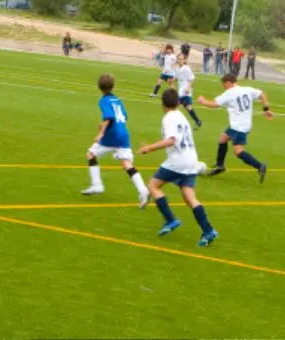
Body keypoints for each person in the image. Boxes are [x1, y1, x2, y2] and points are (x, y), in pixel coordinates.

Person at [137, 89, 218, 247]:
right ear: (179, 103)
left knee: (154, 186)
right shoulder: (182, 116)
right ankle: (208, 230)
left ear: (163, 104)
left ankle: (170, 220)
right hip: (190, 159)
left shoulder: (169, 118)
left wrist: (150, 148)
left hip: (178, 161)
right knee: (189, 197)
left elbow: (171, 140)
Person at [81, 74, 150, 209]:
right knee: (126, 163)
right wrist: (104, 126)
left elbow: (109, 117)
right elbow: (124, 116)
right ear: (113, 86)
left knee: (90, 154)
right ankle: (143, 191)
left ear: (99, 87)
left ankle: (97, 185)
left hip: (111, 135)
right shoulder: (117, 100)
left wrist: (101, 133)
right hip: (123, 134)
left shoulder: (103, 100)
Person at [197, 73, 272, 182]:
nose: (223, 86)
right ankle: (220, 166)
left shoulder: (229, 93)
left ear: (228, 83)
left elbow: (214, 104)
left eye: (223, 84)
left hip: (239, 127)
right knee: (223, 138)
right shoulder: (247, 89)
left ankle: (260, 166)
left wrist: (203, 101)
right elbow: (261, 94)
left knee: (238, 151)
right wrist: (266, 109)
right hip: (241, 125)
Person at [175, 54, 203, 129]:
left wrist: (188, 87)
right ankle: (198, 121)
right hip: (181, 90)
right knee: (188, 108)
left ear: (184, 60)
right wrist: (172, 80)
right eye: (179, 59)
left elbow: (192, 79)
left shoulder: (186, 68)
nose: (180, 61)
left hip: (185, 92)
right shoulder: (177, 68)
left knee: (175, 107)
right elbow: (177, 78)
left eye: (181, 59)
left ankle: (177, 124)